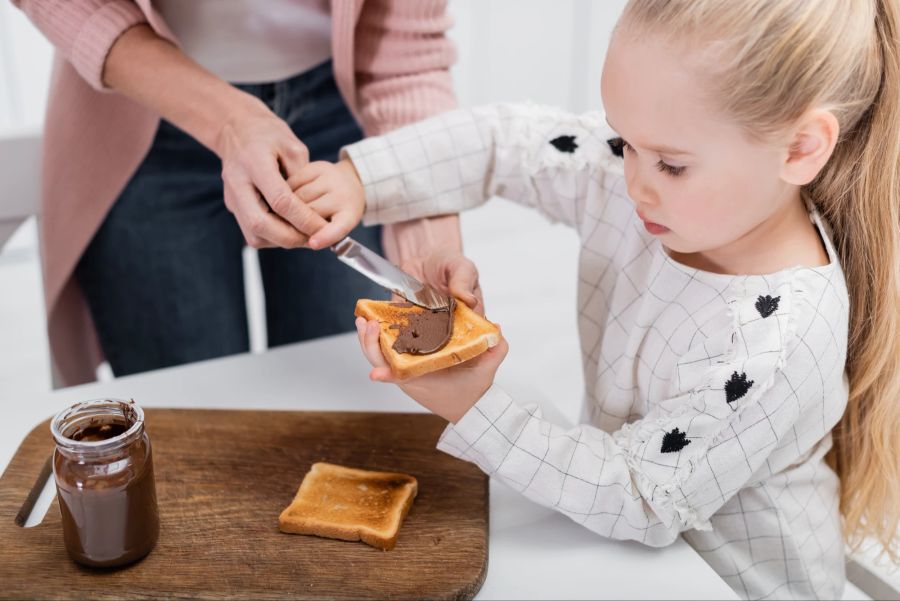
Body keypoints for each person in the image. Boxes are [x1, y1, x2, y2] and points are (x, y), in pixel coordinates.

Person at [290, 0, 900, 598]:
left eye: (671, 165)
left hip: (735, 584)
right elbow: (507, 141)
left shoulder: (776, 338)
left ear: (799, 149)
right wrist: (363, 179)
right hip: (619, 560)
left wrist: (476, 407)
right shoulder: (647, 184)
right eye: (624, 141)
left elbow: (639, 495)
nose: (632, 180)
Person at [11, 0, 464, 384]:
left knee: (342, 390)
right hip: (140, 114)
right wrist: (228, 120)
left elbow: (407, 54)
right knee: (192, 408)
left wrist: (427, 243)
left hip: (340, 112)